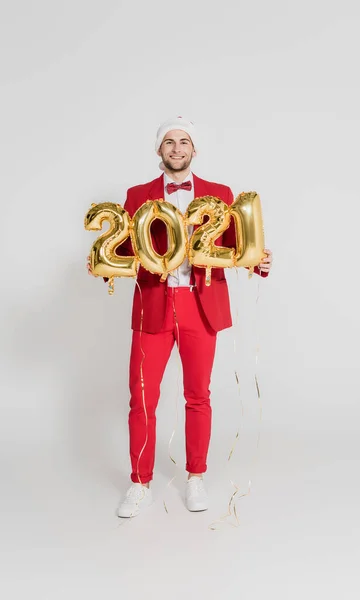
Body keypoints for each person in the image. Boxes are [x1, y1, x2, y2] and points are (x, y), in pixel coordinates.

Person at [87, 117, 273, 518]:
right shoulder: (137, 195)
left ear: (194, 150)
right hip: (153, 302)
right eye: (169, 142)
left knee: (198, 395)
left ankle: (196, 477)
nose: (176, 148)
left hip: (200, 305)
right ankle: (139, 483)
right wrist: (101, 262)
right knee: (142, 398)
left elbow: (233, 245)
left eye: (183, 142)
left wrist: (258, 261)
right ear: (159, 150)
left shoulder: (219, 194)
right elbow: (122, 246)